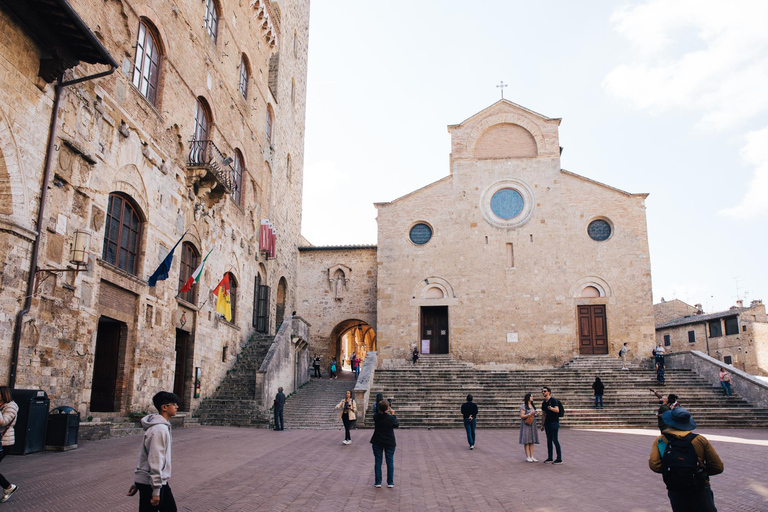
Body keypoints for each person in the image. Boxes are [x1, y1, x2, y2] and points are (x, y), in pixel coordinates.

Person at [649, 407, 724, 512]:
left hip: (675, 487)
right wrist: (699, 473)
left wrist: (674, 471)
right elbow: (718, 467)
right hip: (699, 486)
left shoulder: (661, 440)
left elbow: (654, 464)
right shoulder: (699, 440)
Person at [127, 391, 179, 512]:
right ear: (164, 407)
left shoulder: (163, 426)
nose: (177, 407)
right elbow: (155, 459)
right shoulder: (159, 429)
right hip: (151, 483)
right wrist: (156, 491)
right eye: (174, 404)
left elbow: (144, 456)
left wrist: (137, 482)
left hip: (155, 481)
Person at [370, 399, 399, 488]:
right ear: (387, 408)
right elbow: (396, 425)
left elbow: (378, 414)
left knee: (378, 461)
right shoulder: (390, 418)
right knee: (389, 461)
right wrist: (393, 415)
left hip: (377, 440)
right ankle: (390, 482)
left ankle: (378, 481)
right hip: (389, 441)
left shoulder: (376, 416)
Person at [0, 387, 18, 503]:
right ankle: (8, 487)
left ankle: (8, 487)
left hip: (4, 442)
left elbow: (3, 422)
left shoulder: (11, 407)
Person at [540, 387, 562, 464]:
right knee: (549, 440)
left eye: (544, 391)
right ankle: (550, 457)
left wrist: (551, 408)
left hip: (554, 422)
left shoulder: (553, 400)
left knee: (555, 439)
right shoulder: (544, 403)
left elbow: (557, 410)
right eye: (542, 391)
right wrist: (542, 424)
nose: (543, 392)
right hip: (547, 423)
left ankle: (559, 458)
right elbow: (544, 414)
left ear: (549, 392)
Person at [519, 393, 539, 462]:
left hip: (532, 424)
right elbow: (522, 416)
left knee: (532, 440)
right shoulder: (524, 406)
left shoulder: (532, 406)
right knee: (527, 440)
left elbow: (534, 414)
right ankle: (527, 456)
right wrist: (529, 414)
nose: (532, 398)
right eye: (531, 396)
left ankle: (532, 456)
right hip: (526, 424)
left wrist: (536, 413)